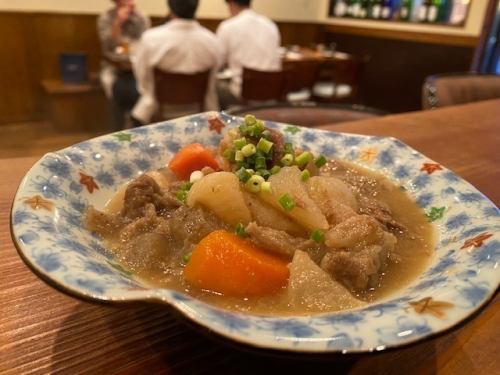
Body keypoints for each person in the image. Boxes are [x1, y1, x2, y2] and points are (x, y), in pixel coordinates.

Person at [131, 0, 223, 126]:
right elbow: (213, 79)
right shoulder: (213, 41)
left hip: (157, 112)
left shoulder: (150, 39)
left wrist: (150, 92)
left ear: (170, 8)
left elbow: (142, 79)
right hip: (202, 113)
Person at [216, 0, 281, 108]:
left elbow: (217, 62)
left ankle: (222, 122)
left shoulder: (228, 26)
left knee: (212, 86)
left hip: (243, 95)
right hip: (271, 94)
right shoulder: (270, 25)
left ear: (231, 4)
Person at [97, 0, 150, 129]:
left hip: (138, 67)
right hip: (113, 67)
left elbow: (146, 42)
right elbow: (108, 46)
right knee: (111, 83)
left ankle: (137, 123)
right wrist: (118, 22)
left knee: (144, 87)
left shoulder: (141, 17)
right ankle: (120, 126)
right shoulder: (105, 18)